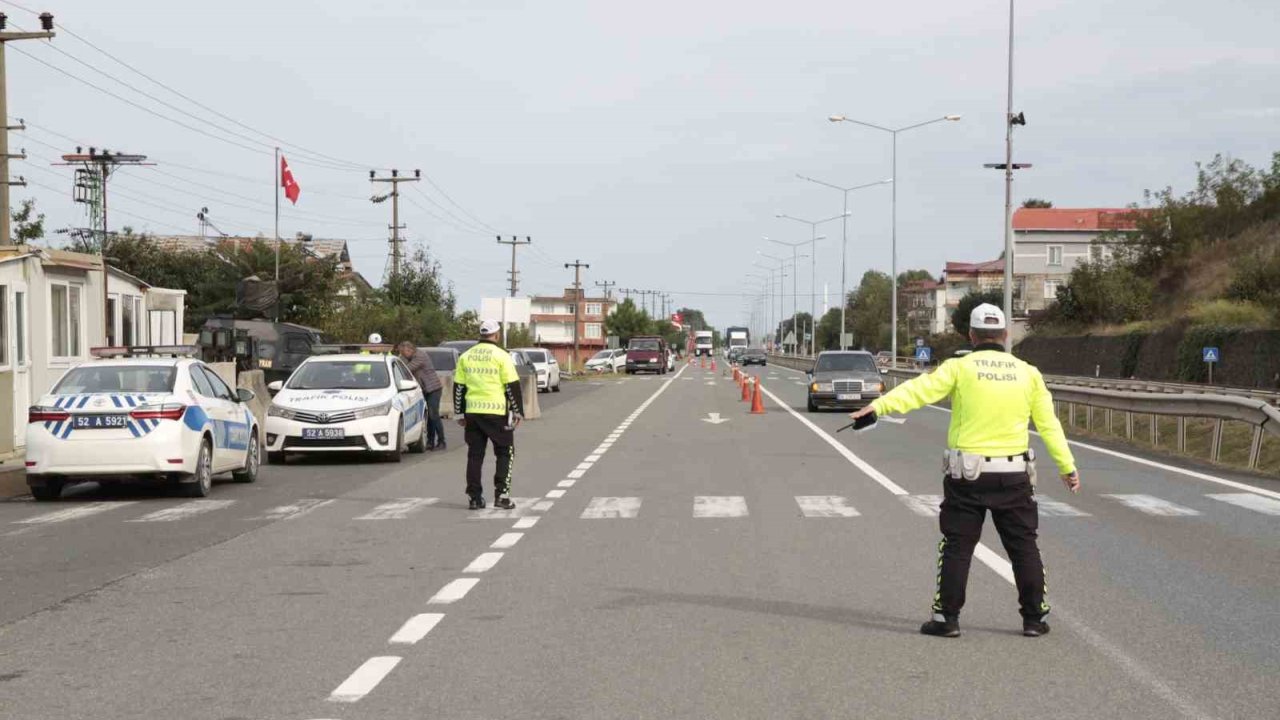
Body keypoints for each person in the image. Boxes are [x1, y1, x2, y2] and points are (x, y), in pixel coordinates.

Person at [849, 303, 1080, 639]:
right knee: (1023, 547)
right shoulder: (1028, 373)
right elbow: (1049, 425)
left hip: (967, 477)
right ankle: (1034, 619)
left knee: (957, 547)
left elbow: (918, 391)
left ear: (971, 335)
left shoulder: (959, 367)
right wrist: (1067, 467)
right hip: (1014, 476)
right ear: (1005, 334)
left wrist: (878, 407)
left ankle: (947, 618)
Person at [453, 319, 525, 510]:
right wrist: (517, 411)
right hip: (496, 412)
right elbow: (511, 385)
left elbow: (459, 387)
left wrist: (459, 413)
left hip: (473, 412)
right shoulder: (502, 356)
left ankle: (474, 498)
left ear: (481, 334)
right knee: (505, 452)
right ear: (497, 335)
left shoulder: (466, 356)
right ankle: (502, 496)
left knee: (475, 455)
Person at [397, 341, 445, 451]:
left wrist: (399, 362)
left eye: (403, 353)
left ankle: (441, 441)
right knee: (429, 417)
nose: (402, 355)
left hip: (433, 389)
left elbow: (406, 369)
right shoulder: (411, 356)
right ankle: (430, 442)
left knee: (433, 415)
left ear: (409, 350)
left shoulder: (420, 356)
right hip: (425, 389)